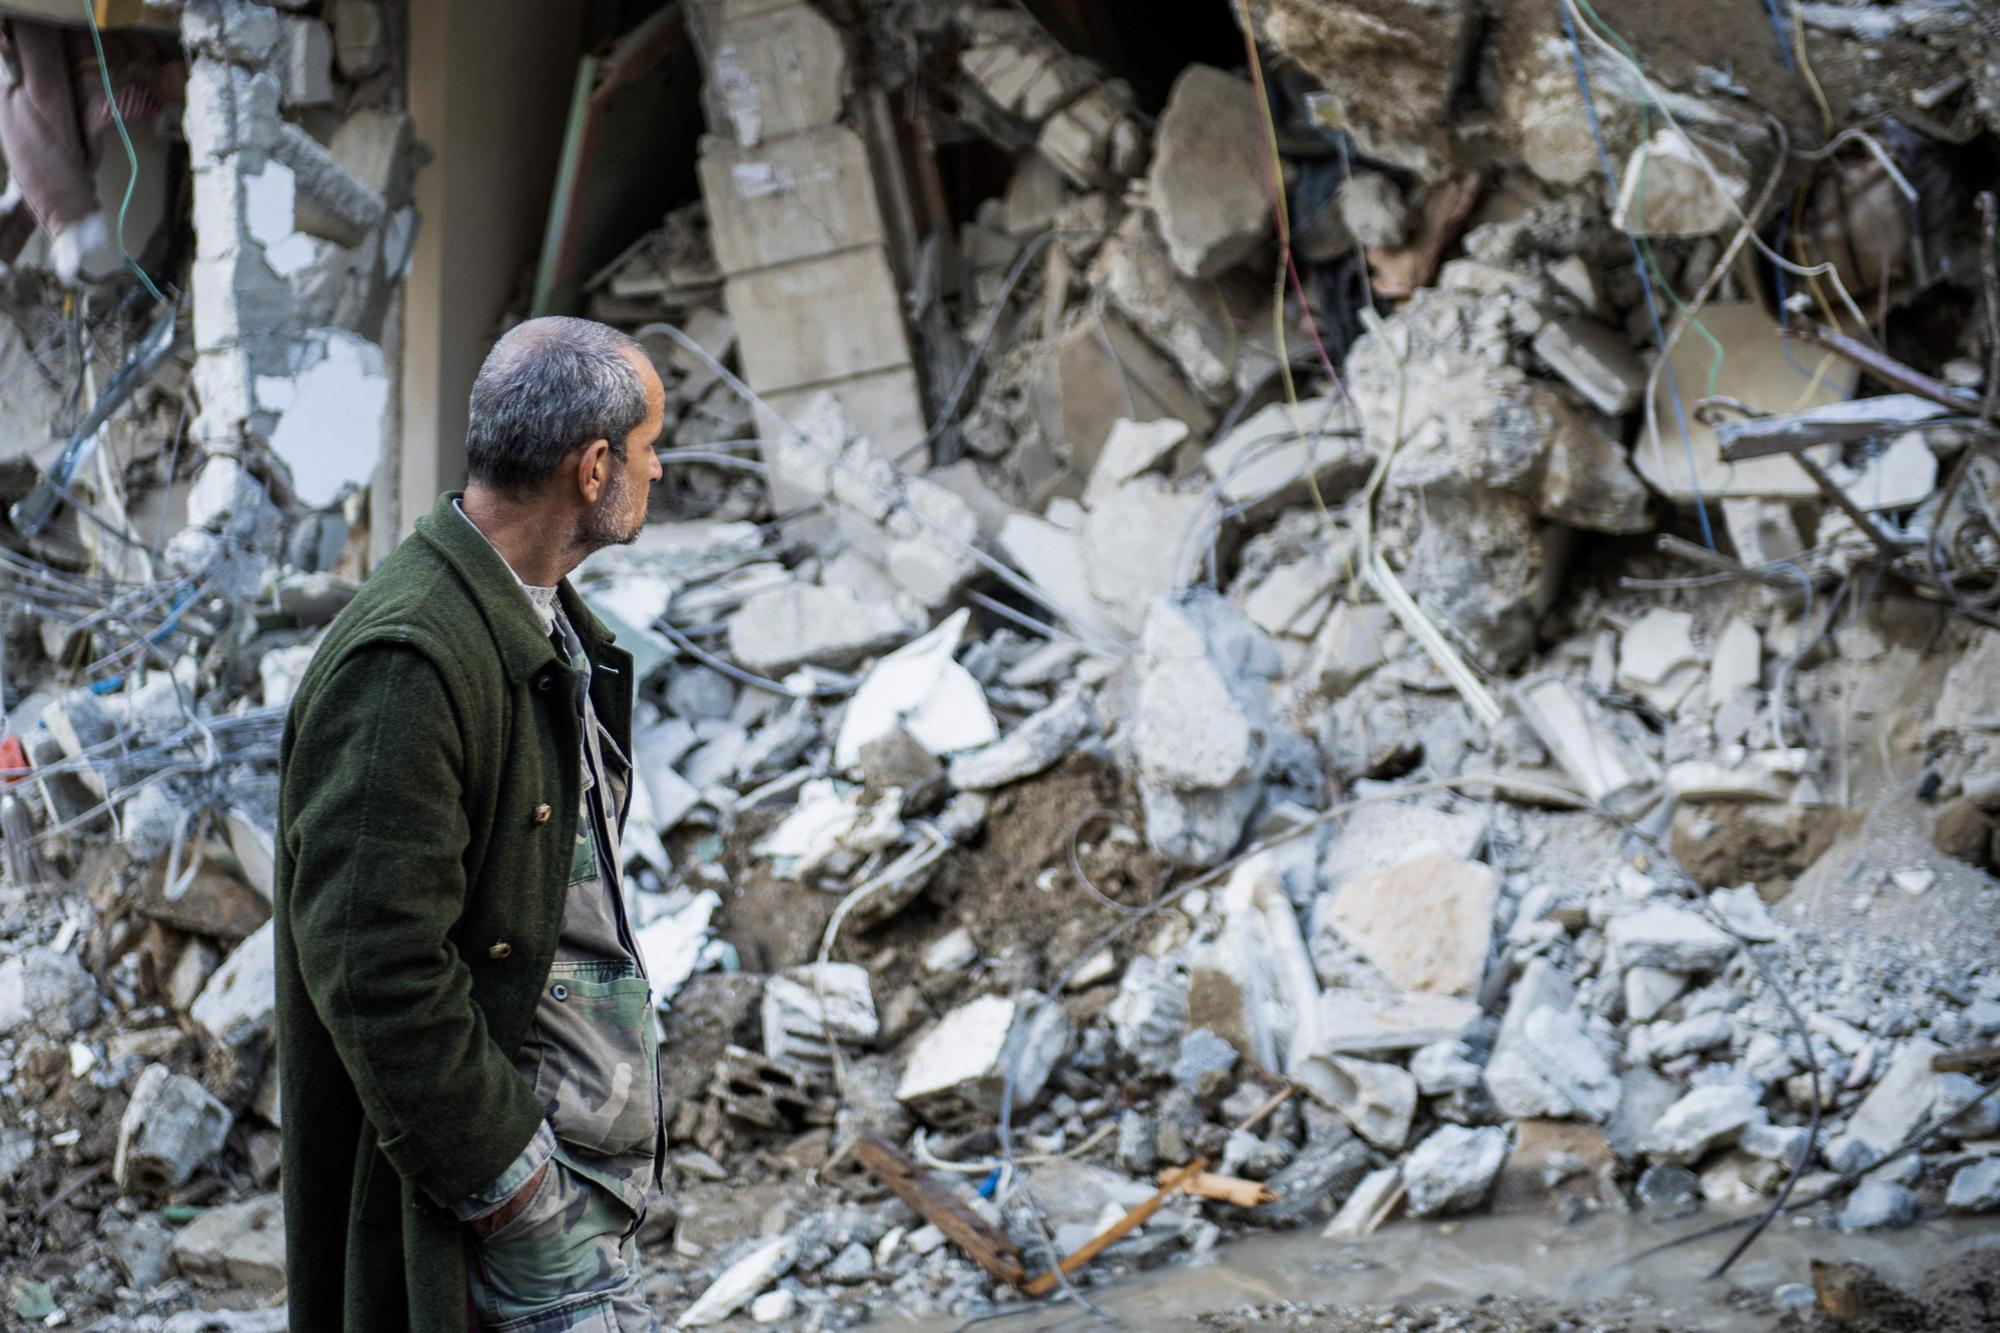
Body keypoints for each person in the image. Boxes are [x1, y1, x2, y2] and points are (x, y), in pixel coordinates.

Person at [274, 316, 668, 1332]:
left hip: (575, 1183)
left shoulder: (535, 620)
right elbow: (376, 969)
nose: (656, 470)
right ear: (592, 468)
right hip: (510, 1208)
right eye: (649, 447)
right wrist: (517, 1183)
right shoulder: (406, 666)